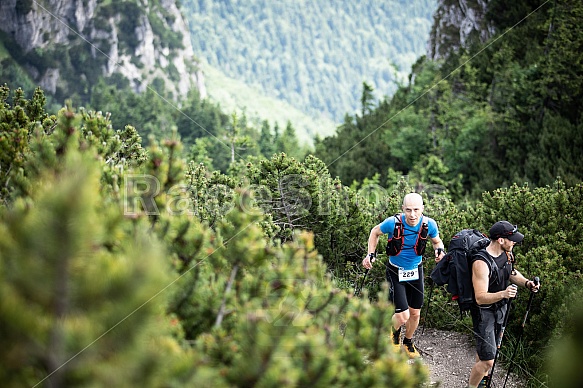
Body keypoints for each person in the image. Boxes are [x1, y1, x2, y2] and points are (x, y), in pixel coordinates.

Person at [362, 192, 445, 358]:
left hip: (416, 271)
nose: (412, 215)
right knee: (403, 315)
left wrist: (440, 251)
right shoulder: (392, 223)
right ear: (402, 209)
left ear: (422, 209)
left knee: (415, 313)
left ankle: (407, 341)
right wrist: (370, 253)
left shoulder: (429, 224)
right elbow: (374, 232)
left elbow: (437, 241)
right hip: (395, 271)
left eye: (416, 210)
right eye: (408, 210)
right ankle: (393, 334)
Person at [467, 221, 540, 388]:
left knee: (484, 353)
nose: (514, 242)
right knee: (488, 361)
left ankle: (482, 381)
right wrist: (504, 294)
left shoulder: (506, 254)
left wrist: (527, 283)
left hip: (500, 309)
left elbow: (511, 272)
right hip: (483, 313)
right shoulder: (481, 263)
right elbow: (480, 297)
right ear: (500, 240)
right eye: (511, 239)